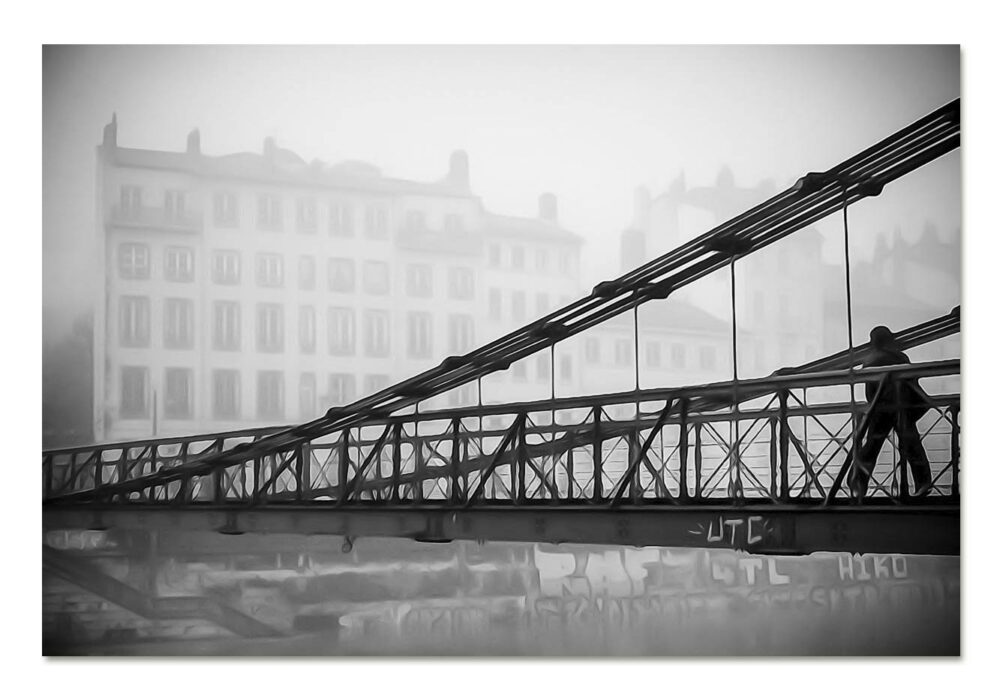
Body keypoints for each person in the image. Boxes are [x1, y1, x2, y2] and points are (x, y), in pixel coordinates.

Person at [849, 326, 933, 499]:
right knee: (912, 446)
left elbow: (870, 393)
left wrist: (875, 405)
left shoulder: (871, 360)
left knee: (871, 447)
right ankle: (923, 483)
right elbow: (913, 384)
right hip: (903, 409)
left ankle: (857, 483)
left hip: (882, 410)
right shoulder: (900, 357)